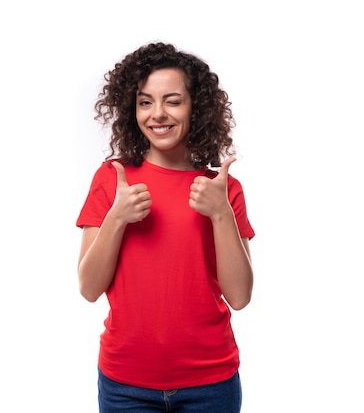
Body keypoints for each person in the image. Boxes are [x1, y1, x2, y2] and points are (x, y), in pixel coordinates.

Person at [76, 41, 255, 413]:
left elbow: (239, 297)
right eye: (145, 102)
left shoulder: (223, 189)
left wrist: (220, 213)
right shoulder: (113, 179)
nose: (157, 114)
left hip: (210, 384)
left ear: (196, 107)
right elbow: (89, 288)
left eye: (173, 101)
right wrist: (117, 217)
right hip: (125, 385)